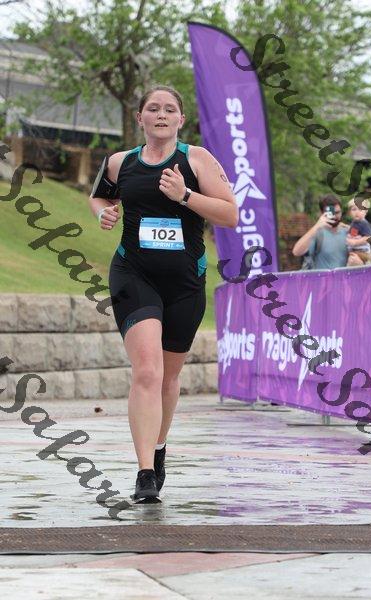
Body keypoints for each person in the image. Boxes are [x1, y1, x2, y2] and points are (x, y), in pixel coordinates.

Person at [88, 85, 238, 501]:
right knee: (148, 371)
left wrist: (185, 195)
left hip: (184, 282)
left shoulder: (197, 159)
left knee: (169, 378)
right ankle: (144, 473)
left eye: (169, 109)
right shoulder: (120, 162)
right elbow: (98, 195)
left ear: (180, 120)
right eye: (153, 108)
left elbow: (230, 214)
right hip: (133, 274)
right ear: (140, 117)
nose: (161, 114)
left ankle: (158, 447)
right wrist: (104, 213)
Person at [292, 194, 349, 269]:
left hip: (345, 276)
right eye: (331, 213)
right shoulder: (318, 233)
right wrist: (317, 226)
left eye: (337, 212)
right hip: (322, 276)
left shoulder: (347, 232)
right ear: (322, 213)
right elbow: (296, 252)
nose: (334, 216)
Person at [346, 198, 371, 266]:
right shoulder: (354, 223)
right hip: (356, 251)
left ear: (365, 211)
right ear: (350, 212)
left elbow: (369, 237)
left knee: (350, 262)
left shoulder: (363, 223)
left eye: (360, 209)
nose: (357, 212)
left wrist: (355, 242)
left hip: (362, 252)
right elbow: (354, 233)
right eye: (354, 209)